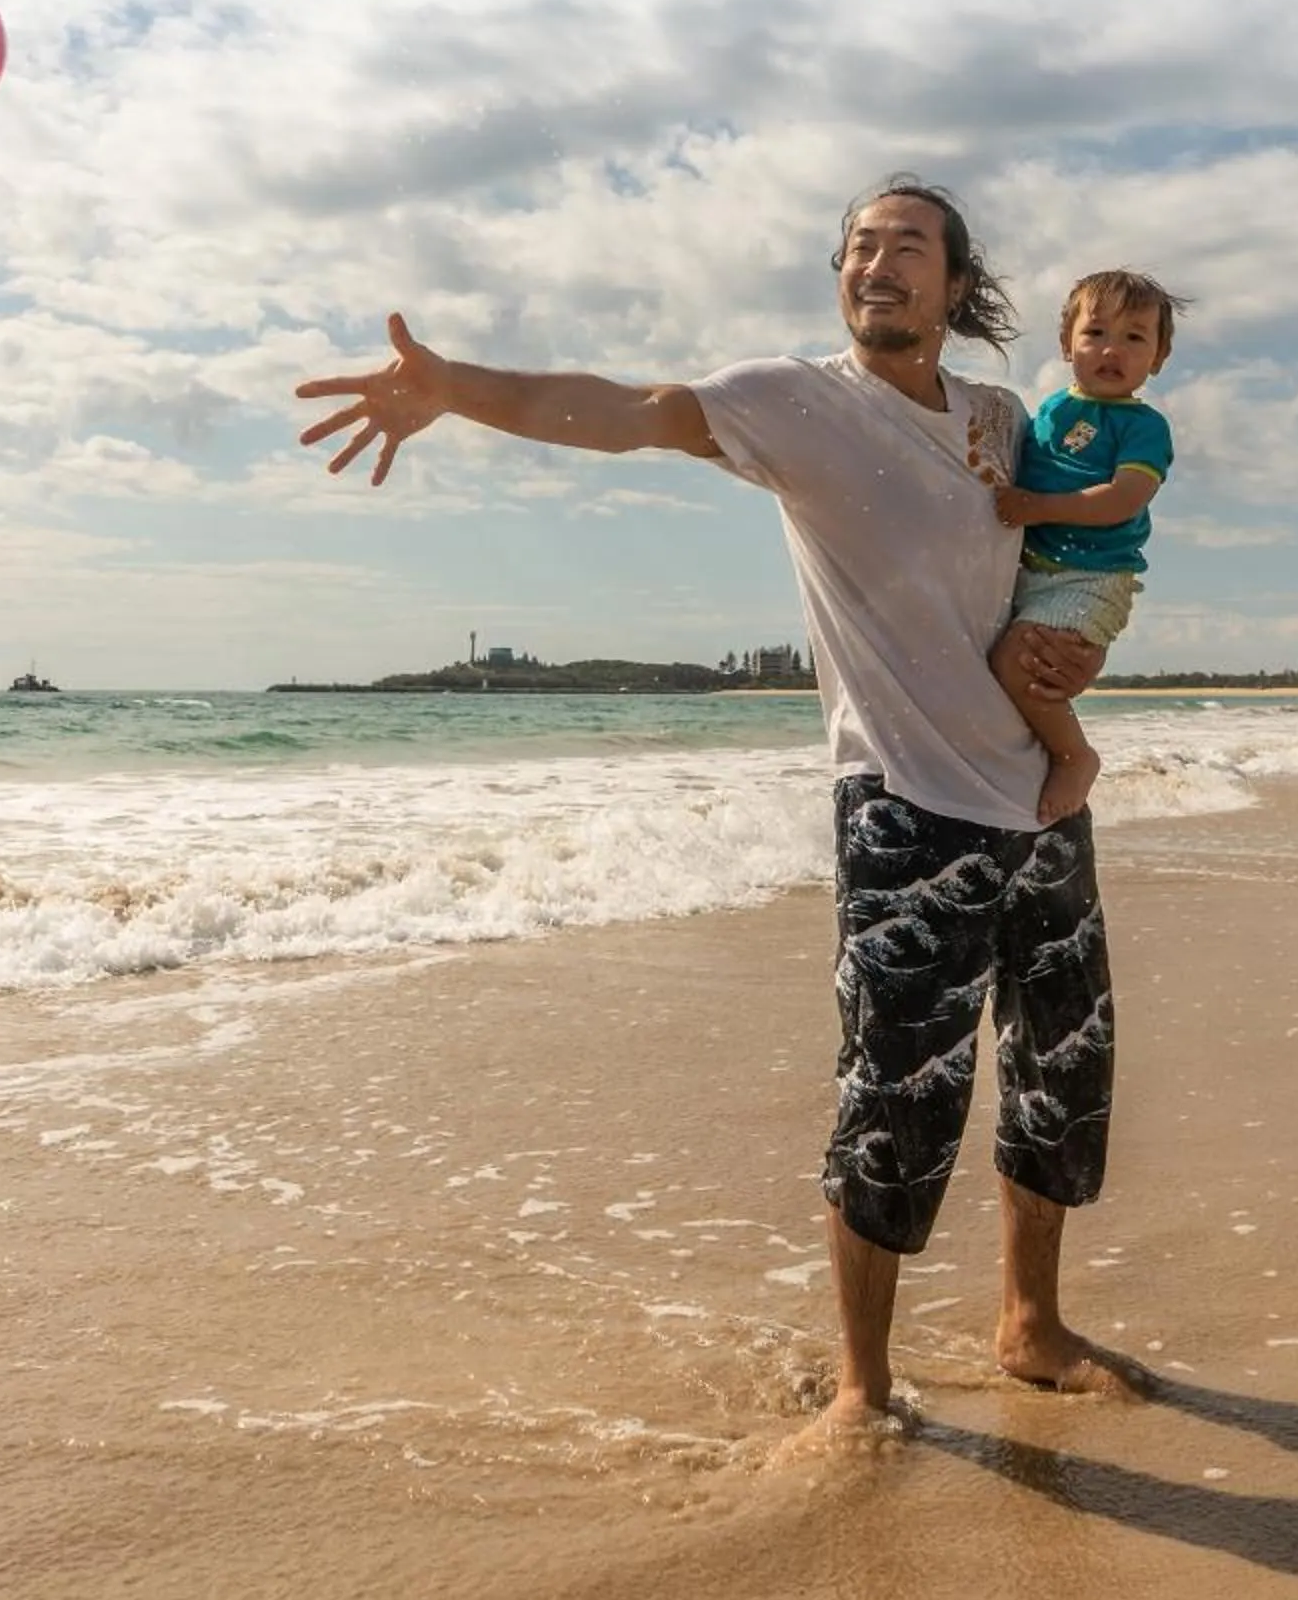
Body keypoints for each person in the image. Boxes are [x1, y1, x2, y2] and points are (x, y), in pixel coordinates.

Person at [293, 172, 1133, 1432]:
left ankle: (1029, 1323)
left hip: (1036, 798)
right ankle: (863, 1384)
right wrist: (456, 387)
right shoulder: (794, 403)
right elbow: (627, 411)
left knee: (1061, 1073)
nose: (877, 262)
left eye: (910, 245)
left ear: (958, 285)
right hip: (905, 803)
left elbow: (1070, 562)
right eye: (859, 245)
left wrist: (1086, 652)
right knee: (896, 1094)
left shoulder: (1004, 420)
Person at [988, 271, 1184, 824]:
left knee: (1017, 661)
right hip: (1032, 571)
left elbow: (1123, 498)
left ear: (1159, 356)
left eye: (1134, 338)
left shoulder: (1144, 427)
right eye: (1096, 332)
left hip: (1093, 577)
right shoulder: (1049, 409)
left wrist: (1039, 508)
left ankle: (1075, 754)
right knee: (1004, 662)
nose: (1111, 350)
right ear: (1066, 343)